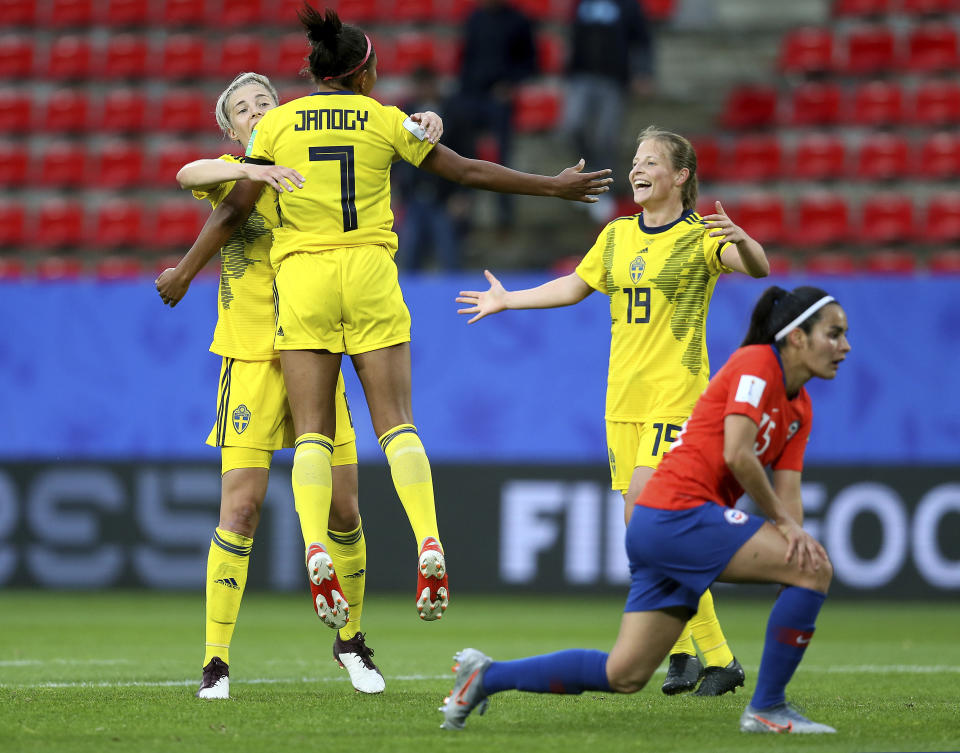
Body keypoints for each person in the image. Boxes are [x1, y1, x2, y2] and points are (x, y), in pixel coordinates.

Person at [243, 5, 613, 627]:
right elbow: (466, 171)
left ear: (311, 69)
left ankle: (313, 547)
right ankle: (429, 541)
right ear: (366, 72)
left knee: (311, 433)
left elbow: (237, 205)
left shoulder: (274, 127)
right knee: (397, 425)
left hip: (303, 278)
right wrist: (552, 186)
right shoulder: (387, 120)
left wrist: (187, 266)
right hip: (370, 277)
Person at [441, 284, 850, 734]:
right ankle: (767, 708)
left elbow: (789, 492)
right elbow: (737, 453)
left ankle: (485, 676)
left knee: (626, 673)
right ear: (796, 337)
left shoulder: (801, 407)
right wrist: (784, 532)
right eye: (833, 334)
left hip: (663, 525)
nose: (844, 346)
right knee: (815, 570)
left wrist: (791, 537)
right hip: (678, 513)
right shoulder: (757, 365)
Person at [155, 71, 444, 698]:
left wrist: (424, 123)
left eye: (265, 101)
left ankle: (351, 643)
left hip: (315, 349)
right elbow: (188, 174)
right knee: (242, 506)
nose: (257, 109)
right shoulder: (238, 172)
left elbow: (379, 147)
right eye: (242, 108)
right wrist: (253, 172)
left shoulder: (307, 160)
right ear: (229, 128)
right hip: (254, 358)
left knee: (345, 508)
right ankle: (216, 662)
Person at [455, 126, 769, 695]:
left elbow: (757, 267)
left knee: (653, 517)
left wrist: (743, 240)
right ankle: (698, 658)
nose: (637, 169)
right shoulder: (618, 234)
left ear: (681, 176)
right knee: (644, 534)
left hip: (677, 398)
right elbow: (575, 286)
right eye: (634, 160)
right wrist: (508, 299)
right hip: (622, 401)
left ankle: (706, 658)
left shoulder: (701, 238)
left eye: (651, 161)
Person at [445, 0, 538, 227]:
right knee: (452, 131)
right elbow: (465, 60)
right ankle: (459, 199)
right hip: (471, 95)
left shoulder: (519, 20)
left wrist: (510, 85)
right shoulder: (474, 18)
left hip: (499, 97)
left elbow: (530, 63)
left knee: (502, 152)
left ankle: (504, 210)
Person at [561, 0, 655, 222]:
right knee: (572, 127)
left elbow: (642, 39)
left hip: (613, 80)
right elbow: (572, 34)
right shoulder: (581, 4)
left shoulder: (629, 5)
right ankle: (582, 180)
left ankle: (601, 192)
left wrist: (643, 72)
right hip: (580, 77)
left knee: (606, 138)